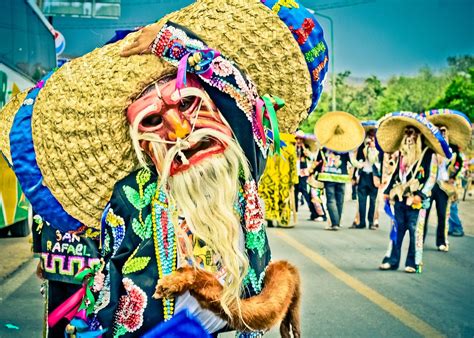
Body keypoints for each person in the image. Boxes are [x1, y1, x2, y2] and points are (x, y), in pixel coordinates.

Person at [0, 0, 329, 336]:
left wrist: (172, 43)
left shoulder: (242, 158)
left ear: (218, 107)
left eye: (187, 103)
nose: (182, 131)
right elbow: (110, 280)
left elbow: (238, 87)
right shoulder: (130, 195)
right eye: (154, 120)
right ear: (141, 142)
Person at [378, 112, 451, 273]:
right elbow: (396, 174)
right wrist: (387, 191)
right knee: (396, 230)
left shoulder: (428, 154)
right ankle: (391, 260)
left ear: (419, 135)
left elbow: (431, 178)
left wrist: (420, 195)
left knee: (415, 233)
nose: (409, 137)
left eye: (412, 133)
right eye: (407, 133)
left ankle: (413, 263)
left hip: (418, 202)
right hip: (400, 199)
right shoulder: (402, 154)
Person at [422, 109, 471, 250]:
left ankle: (442, 242)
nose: (441, 132)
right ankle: (420, 241)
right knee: (424, 214)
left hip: (444, 186)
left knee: (443, 215)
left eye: (443, 130)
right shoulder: (429, 148)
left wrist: (453, 177)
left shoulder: (453, 149)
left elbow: (459, 163)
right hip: (429, 186)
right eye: (438, 130)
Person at [314, 111, 365, 230]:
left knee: (330, 199)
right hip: (341, 176)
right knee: (339, 199)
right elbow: (352, 162)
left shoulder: (324, 146)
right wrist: (361, 164)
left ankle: (335, 223)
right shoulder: (345, 148)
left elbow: (318, 160)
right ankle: (337, 221)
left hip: (327, 175)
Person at [259, 133, 299, 227]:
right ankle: (283, 220)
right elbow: (293, 166)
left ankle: (270, 217)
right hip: (284, 177)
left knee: (269, 197)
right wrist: (293, 180)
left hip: (269, 176)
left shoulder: (267, 144)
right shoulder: (289, 148)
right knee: (284, 198)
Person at [351, 121, 382, 230]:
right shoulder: (362, 148)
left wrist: (373, 149)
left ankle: (372, 222)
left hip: (374, 177)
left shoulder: (380, 150)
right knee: (362, 201)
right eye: (369, 137)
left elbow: (377, 162)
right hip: (363, 175)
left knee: (373, 202)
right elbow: (355, 161)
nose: (370, 140)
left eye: (373, 138)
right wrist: (353, 177)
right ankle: (361, 222)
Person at [294, 131, 319, 221]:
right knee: (294, 191)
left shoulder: (306, 148)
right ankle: (294, 211)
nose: (299, 141)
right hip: (294, 172)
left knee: (305, 191)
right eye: (297, 139)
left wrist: (303, 147)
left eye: (301, 139)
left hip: (303, 173)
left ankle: (313, 212)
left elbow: (310, 157)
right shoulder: (292, 147)